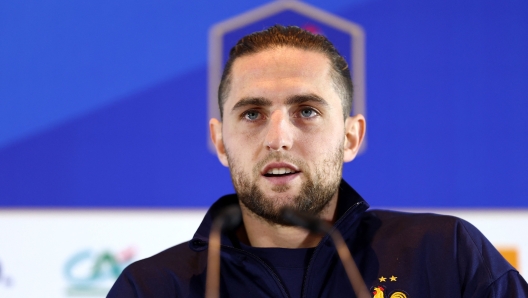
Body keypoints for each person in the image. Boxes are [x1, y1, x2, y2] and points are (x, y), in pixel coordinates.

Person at [107, 25, 528, 297]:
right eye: (252, 114)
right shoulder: (152, 289)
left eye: (306, 111)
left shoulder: (446, 256)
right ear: (220, 141)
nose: (278, 138)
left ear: (350, 137)